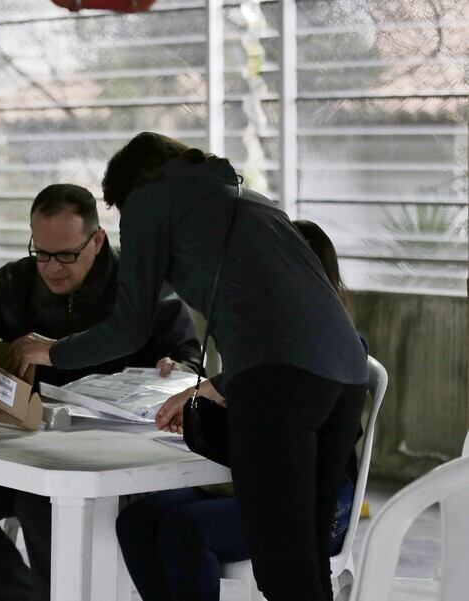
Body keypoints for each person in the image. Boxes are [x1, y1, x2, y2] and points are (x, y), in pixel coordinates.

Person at [11, 133, 368, 601]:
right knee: (305, 562)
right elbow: (299, 321)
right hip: (347, 376)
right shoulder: (246, 198)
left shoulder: (149, 203)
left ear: (126, 194)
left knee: (283, 571)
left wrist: (49, 351)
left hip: (280, 383)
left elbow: (129, 327)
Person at [0, 183, 202, 601]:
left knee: (41, 498)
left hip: (123, 462)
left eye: (67, 255)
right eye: (41, 253)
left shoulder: (142, 287)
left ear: (98, 240)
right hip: (31, 448)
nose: (52, 268)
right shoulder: (16, 283)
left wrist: (177, 368)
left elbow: (190, 364)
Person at [114, 219, 365, 601]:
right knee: (138, 519)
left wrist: (220, 386)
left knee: (186, 528)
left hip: (320, 504)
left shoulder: (340, 347)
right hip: (248, 484)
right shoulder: (263, 340)